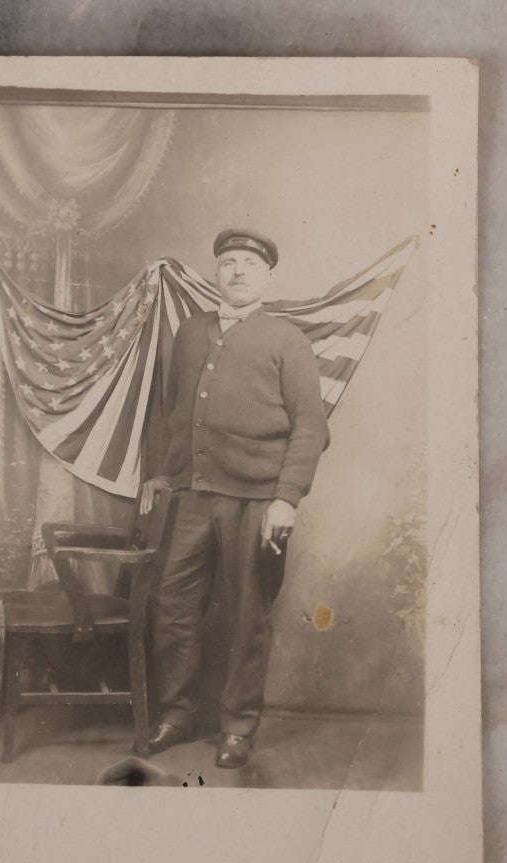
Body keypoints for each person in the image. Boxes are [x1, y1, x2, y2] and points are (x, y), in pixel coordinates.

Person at [140, 228, 330, 768]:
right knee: (172, 606)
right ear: (216, 273)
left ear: (267, 276)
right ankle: (176, 714)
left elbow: (312, 427)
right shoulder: (190, 332)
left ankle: (238, 727)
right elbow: (174, 410)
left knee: (249, 615)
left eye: (249, 262)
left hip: (256, 501)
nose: (238, 271)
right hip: (190, 496)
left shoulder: (286, 339)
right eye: (228, 262)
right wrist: (165, 473)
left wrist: (286, 499)